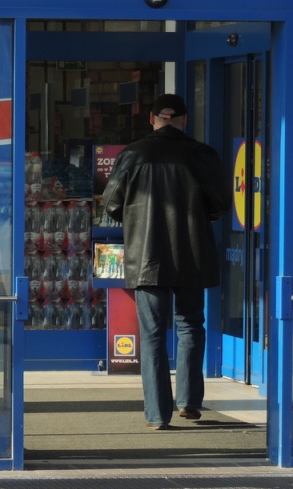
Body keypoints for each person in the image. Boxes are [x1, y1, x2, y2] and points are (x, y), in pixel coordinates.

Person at [101, 93, 232, 430]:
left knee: (153, 334)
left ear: (152, 118)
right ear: (184, 120)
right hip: (192, 252)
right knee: (190, 325)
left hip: (147, 255)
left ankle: (158, 415)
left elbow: (112, 203)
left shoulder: (133, 154)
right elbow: (219, 205)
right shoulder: (202, 154)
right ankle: (188, 401)